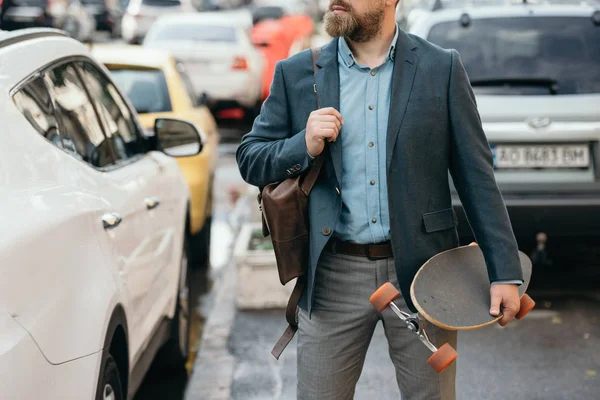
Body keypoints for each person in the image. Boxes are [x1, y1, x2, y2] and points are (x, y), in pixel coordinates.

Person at [236, 1, 524, 399]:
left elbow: (477, 177)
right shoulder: (298, 72)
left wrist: (504, 271)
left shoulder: (441, 68)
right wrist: (301, 144)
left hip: (425, 275)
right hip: (332, 274)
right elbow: (250, 158)